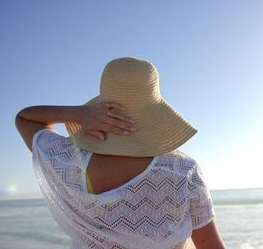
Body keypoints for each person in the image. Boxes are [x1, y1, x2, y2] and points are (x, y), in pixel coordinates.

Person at [15, 57, 225, 249]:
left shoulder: (66, 160)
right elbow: (211, 246)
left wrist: (78, 114)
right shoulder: (183, 172)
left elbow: (25, 118)